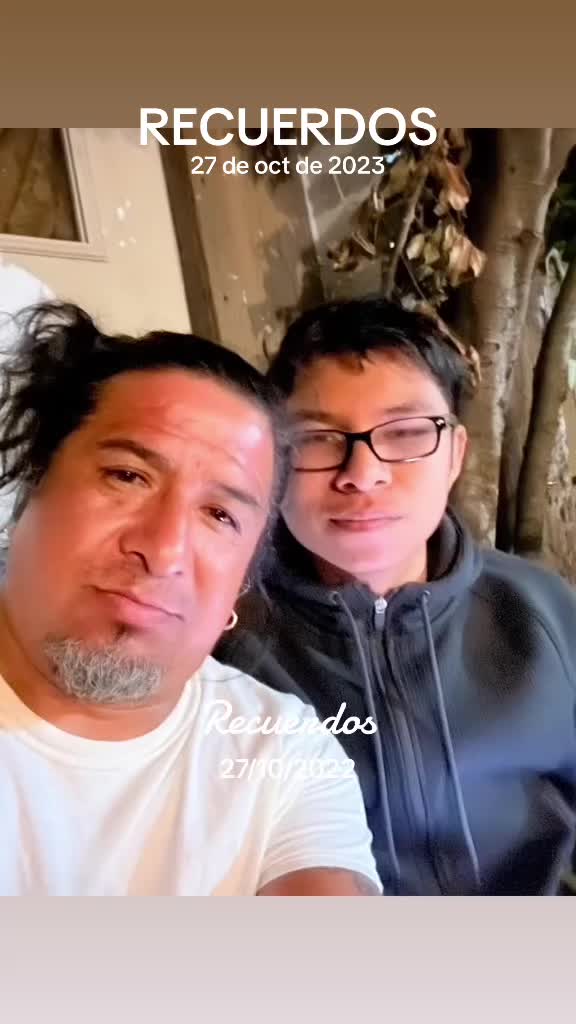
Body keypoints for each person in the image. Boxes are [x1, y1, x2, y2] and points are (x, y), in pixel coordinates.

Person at [0, 301, 381, 896]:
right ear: (31, 486)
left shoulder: (280, 750)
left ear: (241, 583)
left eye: (220, 515)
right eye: (128, 476)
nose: (163, 549)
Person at [216, 296, 576, 895]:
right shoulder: (220, 634)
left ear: (455, 455)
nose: (362, 473)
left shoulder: (539, 612)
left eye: (407, 433)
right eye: (318, 438)